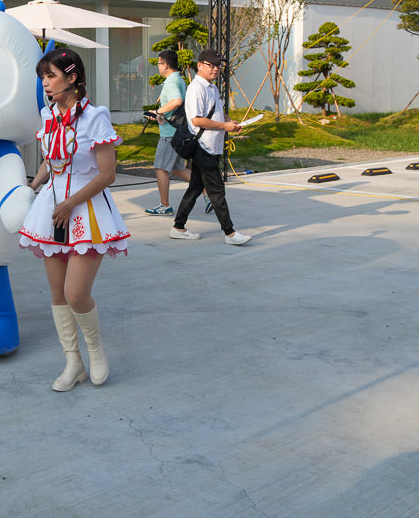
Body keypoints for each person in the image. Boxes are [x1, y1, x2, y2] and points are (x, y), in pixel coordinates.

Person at [19, 49, 129, 391]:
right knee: (57, 293)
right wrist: (34, 184)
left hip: (87, 210)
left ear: (72, 77)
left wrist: (70, 204)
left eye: (51, 76)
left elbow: (108, 174)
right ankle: (73, 363)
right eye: (42, 77)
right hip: (52, 209)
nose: (45, 83)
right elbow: (51, 162)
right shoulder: (48, 116)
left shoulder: (95, 117)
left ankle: (95, 350)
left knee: (76, 293)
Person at [170, 48, 251, 245]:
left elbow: (217, 113)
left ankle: (178, 227)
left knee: (195, 188)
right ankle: (230, 233)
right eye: (211, 65)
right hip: (203, 146)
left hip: (212, 146)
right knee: (217, 191)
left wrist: (230, 122)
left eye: (218, 65)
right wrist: (224, 126)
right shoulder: (196, 88)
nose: (215, 68)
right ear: (200, 65)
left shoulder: (212, 87)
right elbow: (197, 120)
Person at [144, 50, 210, 216]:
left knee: (160, 168)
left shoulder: (171, 81)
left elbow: (177, 101)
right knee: (177, 168)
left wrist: (159, 111)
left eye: (159, 63)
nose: (158, 66)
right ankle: (208, 191)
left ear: (165, 65)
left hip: (170, 134)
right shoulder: (179, 79)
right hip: (178, 131)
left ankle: (164, 205)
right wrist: (160, 114)